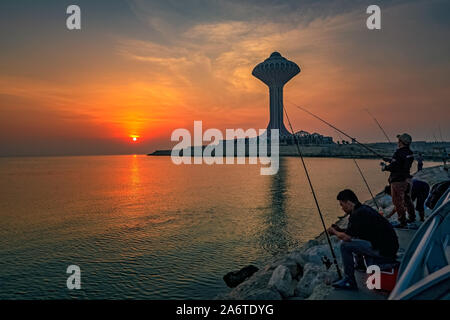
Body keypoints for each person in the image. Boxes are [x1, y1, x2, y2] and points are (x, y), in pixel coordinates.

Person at [328, 189, 399, 290]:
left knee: (345, 245)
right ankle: (360, 265)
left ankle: (349, 281)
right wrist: (339, 229)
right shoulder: (362, 209)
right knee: (356, 239)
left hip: (384, 251)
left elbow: (347, 237)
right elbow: (353, 232)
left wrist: (334, 232)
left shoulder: (357, 214)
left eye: (342, 205)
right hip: (389, 247)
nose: (342, 208)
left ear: (348, 203)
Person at [381, 133, 415, 228]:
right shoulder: (410, 153)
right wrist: (390, 160)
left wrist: (385, 167)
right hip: (406, 180)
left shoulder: (398, 153)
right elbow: (400, 163)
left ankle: (402, 222)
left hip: (397, 181)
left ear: (401, 142)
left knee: (398, 202)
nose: (397, 142)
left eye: (399, 140)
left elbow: (395, 166)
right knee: (407, 199)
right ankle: (412, 217)